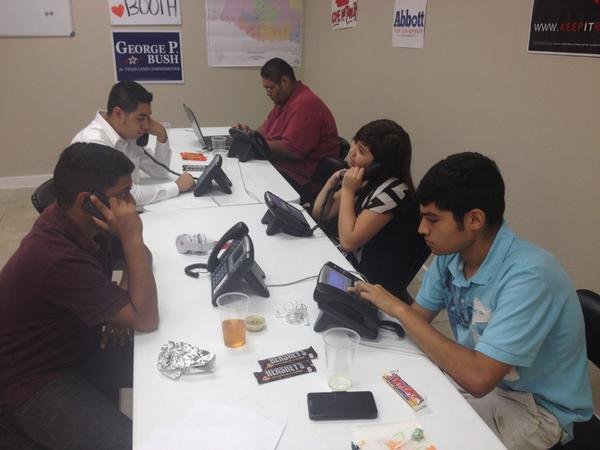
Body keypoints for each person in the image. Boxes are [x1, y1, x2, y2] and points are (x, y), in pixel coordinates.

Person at [352, 152, 593, 449]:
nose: (422, 229)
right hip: (488, 385)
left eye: (433, 219)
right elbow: (418, 320)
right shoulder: (451, 254)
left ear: (475, 219)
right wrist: (367, 315)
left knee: (425, 439)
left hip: (537, 409)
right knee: (389, 411)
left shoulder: (531, 276)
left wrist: (399, 308)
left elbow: (478, 378)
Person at [0, 143, 159, 450]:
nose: (131, 204)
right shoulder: (54, 256)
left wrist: (119, 296)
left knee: (166, 365)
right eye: (124, 193)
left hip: (73, 344)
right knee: (132, 444)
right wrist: (132, 236)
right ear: (88, 201)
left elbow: (143, 256)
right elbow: (146, 318)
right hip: (31, 380)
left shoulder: (80, 220)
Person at [312, 119, 428, 299]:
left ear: (380, 164)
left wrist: (348, 190)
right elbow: (321, 213)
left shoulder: (394, 192)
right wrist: (334, 179)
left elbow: (348, 242)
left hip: (370, 284)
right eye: (355, 143)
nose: (352, 153)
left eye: (361, 151)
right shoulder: (368, 179)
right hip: (349, 266)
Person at [72, 80, 195, 206]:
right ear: (118, 114)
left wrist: (161, 134)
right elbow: (127, 195)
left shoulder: (127, 135)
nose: (146, 126)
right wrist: (176, 186)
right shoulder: (93, 144)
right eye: (141, 118)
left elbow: (160, 172)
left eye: (148, 118)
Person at [236, 57, 339, 202]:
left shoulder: (305, 104)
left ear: (284, 81)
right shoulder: (284, 101)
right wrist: (249, 135)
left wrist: (257, 142)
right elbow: (265, 130)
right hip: (282, 167)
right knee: (243, 176)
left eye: (270, 88)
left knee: (250, 188)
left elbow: (292, 151)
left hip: (302, 178)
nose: (268, 93)